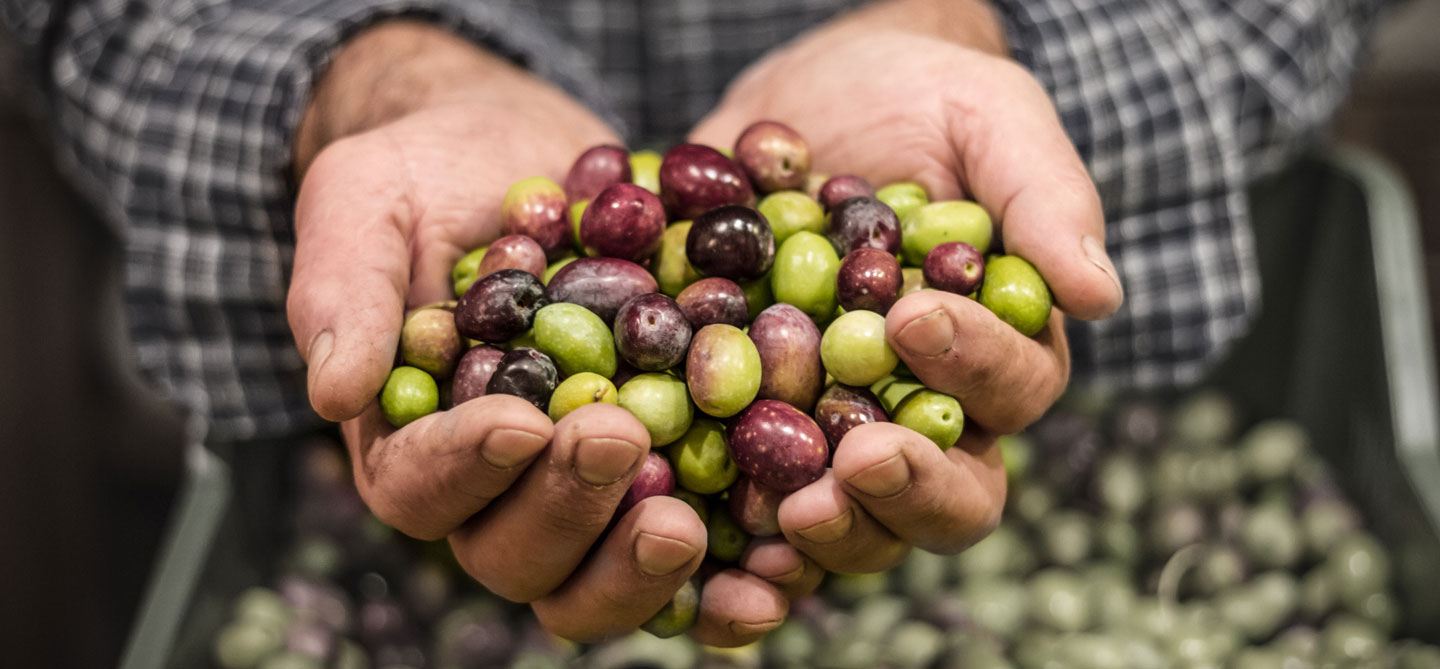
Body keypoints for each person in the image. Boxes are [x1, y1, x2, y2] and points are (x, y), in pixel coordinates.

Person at [0, 0, 1384, 646]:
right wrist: (354, 88)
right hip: (259, 297)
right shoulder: (609, 302)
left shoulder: (805, 295)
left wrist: (995, 40)